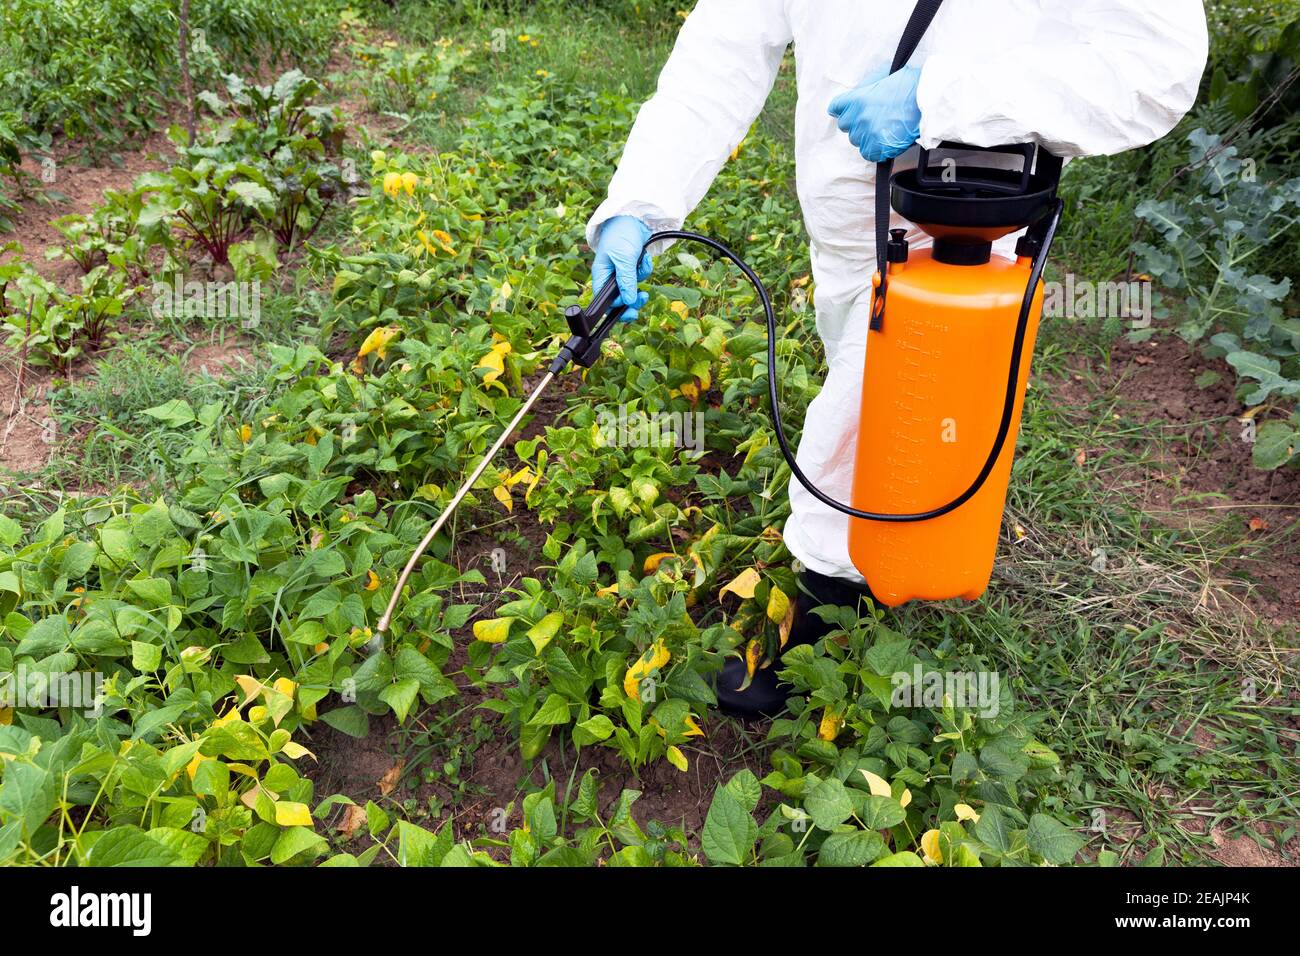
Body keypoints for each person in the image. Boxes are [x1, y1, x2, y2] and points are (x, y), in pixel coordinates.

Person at [587, 0, 1208, 717]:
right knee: (883, 401)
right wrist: (641, 204)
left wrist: (938, 96)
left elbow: (1155, 68)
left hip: (969, 207)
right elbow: (723, 50)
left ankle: (827, 606)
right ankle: (888, 542)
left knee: (865, 411)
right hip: (844, 209)